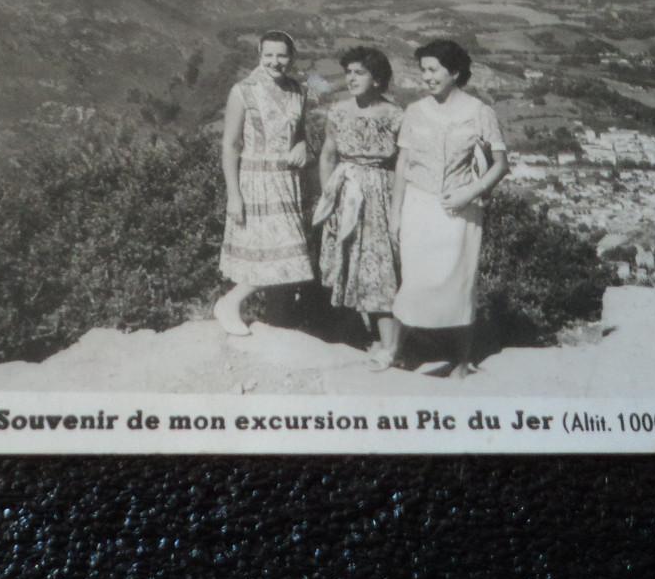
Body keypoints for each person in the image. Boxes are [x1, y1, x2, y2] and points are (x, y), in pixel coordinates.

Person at [382, 39, 509, 378]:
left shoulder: (480, 113)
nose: (426, 77)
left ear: (454, 72)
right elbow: (402, 165)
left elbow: (500, 164)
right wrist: (395, 214)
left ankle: (463, 361)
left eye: (433, 69)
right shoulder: (414, 111)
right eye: (423, 70)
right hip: (419, 206)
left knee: (459, 284)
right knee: (412, 282)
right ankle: (393, 351)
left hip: (459, 212)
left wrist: (471, 192)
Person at [215, 31, 313, 336]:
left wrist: (303, 147)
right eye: (268, 55)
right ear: (259, 55)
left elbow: (299, 136)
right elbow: (230, 145)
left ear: (291, 57)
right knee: (278, 255)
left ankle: (277, 327)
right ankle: (230, 302)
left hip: (288, 182)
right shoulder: (243, 91)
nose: (275, 61)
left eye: (282, 55)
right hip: (255, 181)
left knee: (284, 256)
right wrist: (234, 195)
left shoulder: (298, 90)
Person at [316, 46, 403, 359]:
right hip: (344, 192)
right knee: (346, 261)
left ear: (377, 79)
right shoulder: (338, 111)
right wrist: (330, 198)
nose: (351, 78)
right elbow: (327, 155)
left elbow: (403, 165)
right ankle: (354, 336)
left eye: (359, 73)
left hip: (380, 195)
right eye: (348, 73)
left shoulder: (395, 116)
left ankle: (391, 346)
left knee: (381, 268)